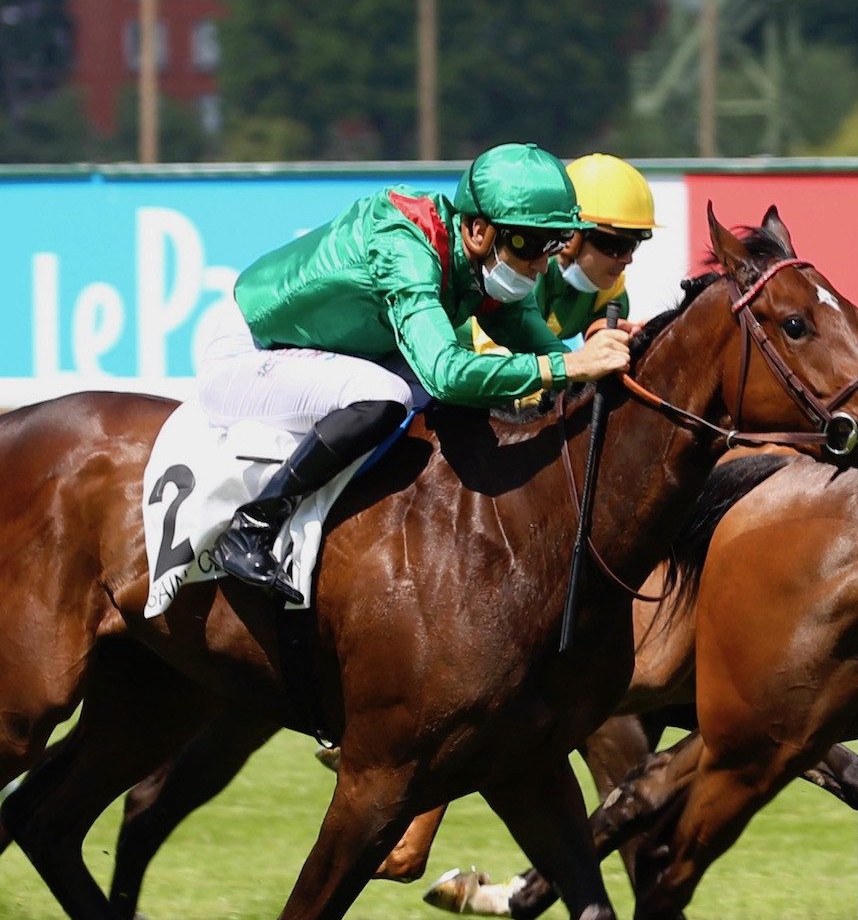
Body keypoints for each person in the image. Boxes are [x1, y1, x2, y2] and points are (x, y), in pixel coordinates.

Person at [197, 141, 636, 603]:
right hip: (248, 353)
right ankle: (253, 525)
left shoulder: (483, 263)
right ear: (478, 230)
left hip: (322, 354)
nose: (542, 265)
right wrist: (569, 365)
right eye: (529, 244)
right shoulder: (405, 246)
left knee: (455, 403)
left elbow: (550, 354)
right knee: (387, 396)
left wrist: (612, 358)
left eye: (553, 244)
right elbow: (447, 372)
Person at [472, 152, 656, 353]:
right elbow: (497, 358)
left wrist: (614, 336)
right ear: (571, 237)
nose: (627, 259)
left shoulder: (609, 287)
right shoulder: (523, 274)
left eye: (633, 245)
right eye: (615, 246)